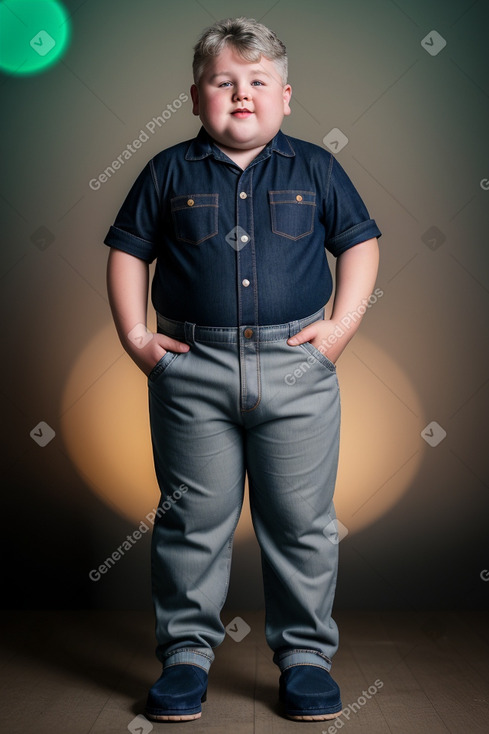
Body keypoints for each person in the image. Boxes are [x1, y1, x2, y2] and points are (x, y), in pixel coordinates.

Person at [105, 17, 381, 723]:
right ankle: (186, 658)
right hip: (192, 371)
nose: (240, 94)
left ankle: (305, 659)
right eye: (222, 82)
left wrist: (338, 332)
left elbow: (359, 245)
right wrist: (138, 338)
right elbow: (129, 252)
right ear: (196, 97)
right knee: (191, 521)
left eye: (257, 82)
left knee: (300, 523)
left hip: (297, 369)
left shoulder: (316, 167)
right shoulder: (167, 170)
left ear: (285, 97)